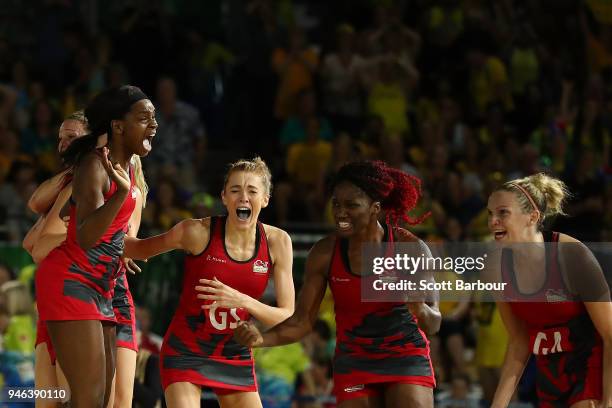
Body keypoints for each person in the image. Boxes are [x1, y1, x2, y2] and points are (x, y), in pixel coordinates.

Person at [236, 160, 441, 407]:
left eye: (351, 205)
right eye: (336, 204)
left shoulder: (410, 249)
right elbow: (302, 322)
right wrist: (262, 339)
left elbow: (434, 323)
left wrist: (418, 307)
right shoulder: (324, 254)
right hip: (354, 362)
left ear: (375, 208)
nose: (340, 213)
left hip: (405, 357)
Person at [124, 157, 295, 408]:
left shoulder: (277, 242)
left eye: (252, 191)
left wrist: (243, 301)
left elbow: (286, 315)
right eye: (235, 190)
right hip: (186, 350)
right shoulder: (196, 232)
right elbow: (139, 248)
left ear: (266, 199)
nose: (243, 198)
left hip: (234, 353)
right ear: (224, 197)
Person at [34, 85, 157, 408]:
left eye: (154, 118)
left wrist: (177, 239)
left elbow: (119, 240)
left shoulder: (126, 168)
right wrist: (118, 195)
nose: (154, 125)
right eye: (145, 118)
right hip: (72, 282)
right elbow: (86, 237)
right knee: (81, 399)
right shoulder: (93, 166)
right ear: (118, 126)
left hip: (101, 288)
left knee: (102, 401)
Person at [487, 173, 612, 407]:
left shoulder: (572, 255)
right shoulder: (495, 268)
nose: (492, 221)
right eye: (490, 214)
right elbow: (519, 342)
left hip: (593, 364)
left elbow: (610, 334)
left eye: (503, 213)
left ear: (532, 217)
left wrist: (609, 400)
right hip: (550, 374)